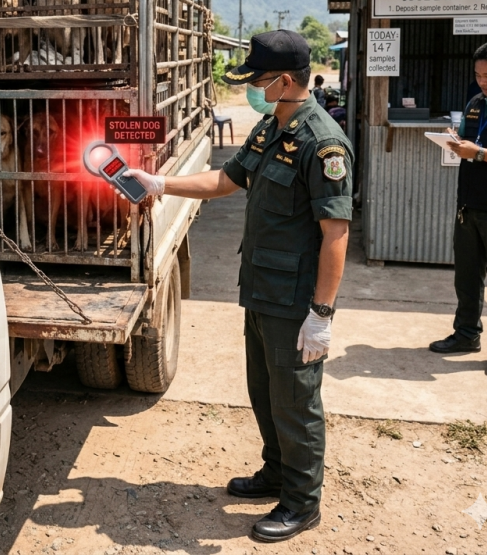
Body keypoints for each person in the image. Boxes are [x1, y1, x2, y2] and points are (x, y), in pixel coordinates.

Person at [124, 30, 353, 543]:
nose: (253, 89)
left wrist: (321, 313)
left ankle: (302, 502)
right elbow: (226, 180)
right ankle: (277, 471)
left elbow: (336, 234)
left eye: (259, 80)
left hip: (295, 300)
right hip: (262, 289)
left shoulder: (323, 143)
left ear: (285, 81)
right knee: (265, 391)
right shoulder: (272, 127)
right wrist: (160, 183)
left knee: (296, 400)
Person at [431, 40, 487, 378]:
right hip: (468, 207)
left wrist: (480, 154)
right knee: (467, 279)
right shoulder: (475, 103)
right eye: (478, 75)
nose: (482, 82)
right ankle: (466, 335)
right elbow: (469, 143)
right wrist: (455, 142)